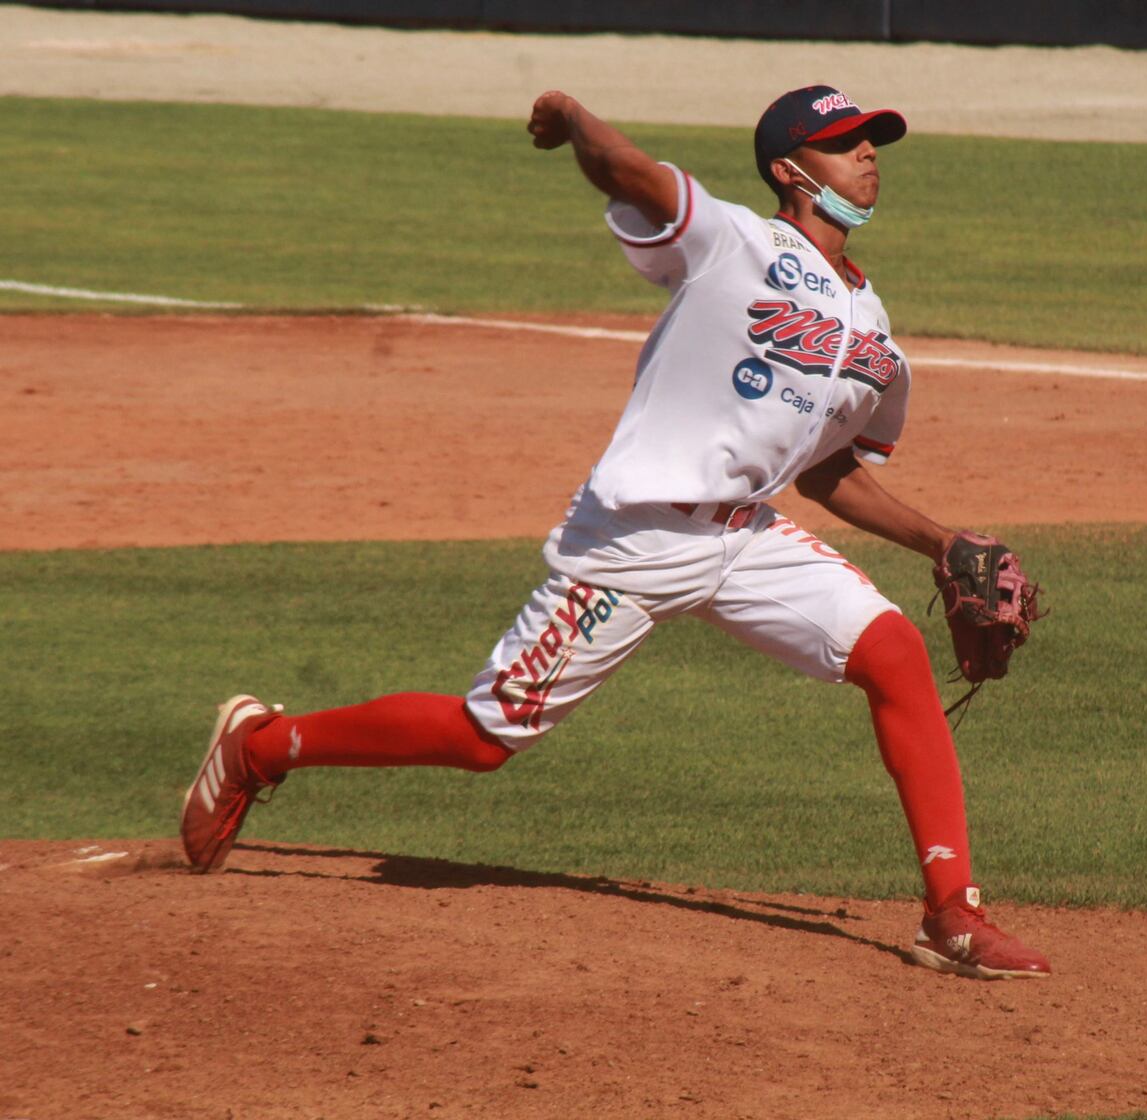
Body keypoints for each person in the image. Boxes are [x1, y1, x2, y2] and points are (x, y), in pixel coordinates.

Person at [182, 85, 1050, 981]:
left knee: (893, 651)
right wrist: (575, 124)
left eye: (872, 142)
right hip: (632, 544)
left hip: (746, 537)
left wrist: (940, 542)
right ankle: (259, 746)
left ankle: (951, 915)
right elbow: (634, 174)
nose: (867, 157)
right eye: (844, 144)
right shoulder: (735, 244)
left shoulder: (871, 324)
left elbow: (824, 469)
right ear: (791, 170)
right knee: (487, 738)